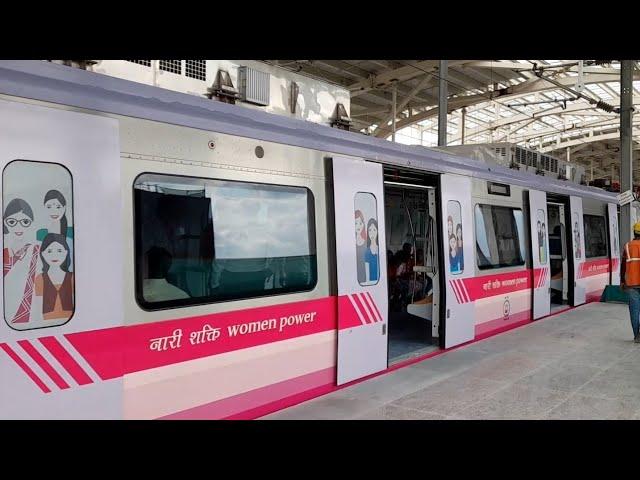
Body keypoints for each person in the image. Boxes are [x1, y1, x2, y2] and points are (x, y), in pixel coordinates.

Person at [3, 198, 40, 324]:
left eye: (25, 222)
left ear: (32, 223)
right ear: (5, 223)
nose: (18, 227)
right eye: (12, 221)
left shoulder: (38, 252)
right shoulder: (4, 253)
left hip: (32, 315)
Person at [34, 233, 74, 321]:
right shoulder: (40, 279)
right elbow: (38, 309)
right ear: (43, 254)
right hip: (46, 323)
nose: (54, 255)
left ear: (66, 252)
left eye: (59, 251)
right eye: (49, 251)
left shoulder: (72, 278)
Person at [621, 222, 640, 343]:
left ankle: (637, 336)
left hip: (632, 283)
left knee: (634, 310)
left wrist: (622, 281)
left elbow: (623, 266)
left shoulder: (627, 246)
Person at [364, 218, 379, 282]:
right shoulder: (367, 251)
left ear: (377, 231)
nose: (372, 233)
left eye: (374, 230)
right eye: (370, 230)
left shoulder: (380, 250)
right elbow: (367, 275)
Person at [354, 210, 367, 284]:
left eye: (360, 223)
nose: (358, 226)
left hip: (363, 273)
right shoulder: (351, 241)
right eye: (356, 223)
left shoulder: (366, 241)